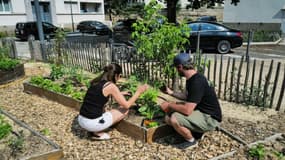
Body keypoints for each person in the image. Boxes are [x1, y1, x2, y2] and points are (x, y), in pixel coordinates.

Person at [160, 52, 222, 149]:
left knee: (174, 118)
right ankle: (196, 132)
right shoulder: (192, 78)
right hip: (201, 112)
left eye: (176, 68)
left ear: (180, 67)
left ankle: (191, 141)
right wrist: (170, 93)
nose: (176, 70)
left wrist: (170, 105)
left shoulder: (197, 82)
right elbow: (186, 96)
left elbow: (187, 110)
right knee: (168, 117)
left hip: (210, 118)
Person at [78, 63, 148, 140]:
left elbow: (99, 95)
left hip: (81, 119)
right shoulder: (111, 86)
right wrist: (138, 92)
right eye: (120, 76)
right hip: (91, 124)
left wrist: (120, 94)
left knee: (105, 109)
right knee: (124, 110)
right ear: (115, 75)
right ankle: (97, 133)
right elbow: (127, 105)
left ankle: (94, 128)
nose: (119, 78)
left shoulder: (96, 81)